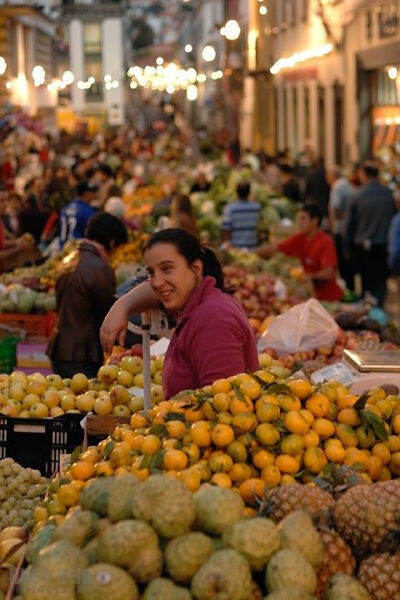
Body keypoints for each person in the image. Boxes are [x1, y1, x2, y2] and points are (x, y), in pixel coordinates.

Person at [100, 228, 259, 399]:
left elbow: (222, 405)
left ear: (196, 268)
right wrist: (122, 305)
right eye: (152, 272)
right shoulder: (198, 300)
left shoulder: (212, 318)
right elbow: (154, 289)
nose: (157, 282)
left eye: (167, 269)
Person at [47, 212, 128, 378]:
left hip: (59, 347)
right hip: (83, 353)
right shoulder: (100, 268)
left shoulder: (67, 260)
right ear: (112, 243)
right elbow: (107, 314)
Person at [257, 204, 343, 302]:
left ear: (314, 221)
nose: (299, 223)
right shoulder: (299, 238)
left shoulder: (325, 242)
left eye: (303, 219)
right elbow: (275, 248)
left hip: (329, 299)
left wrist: (309, 277)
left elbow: (328, 273)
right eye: (299, 219)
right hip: (312, 297)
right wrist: (251, 253)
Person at [344, 161, 396, 306]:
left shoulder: (357, 195)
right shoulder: (387, 194)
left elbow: (349, 225)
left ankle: (368, 311)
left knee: (366, 283)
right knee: (380, 282)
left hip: (362, 247)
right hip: (383, 245)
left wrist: (346, 248)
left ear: (363, 175)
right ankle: (379, 311)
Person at [327, 166, 355, 292]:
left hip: (340, 229)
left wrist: (332, 227)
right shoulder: (348, 186)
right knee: (349, 263)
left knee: (343, 263)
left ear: (332, 176)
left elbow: (335, 208)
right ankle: (351, 288)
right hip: (350, 229)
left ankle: (346, 290)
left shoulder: (336, 188)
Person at [221, 182, 261, 249]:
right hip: (253, 248)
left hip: (235, 249)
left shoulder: (229, 208)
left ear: (237, 192)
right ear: (249, 192)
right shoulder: (257, 208)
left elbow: (226, 230)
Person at [58, 181, 98, 247]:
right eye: (92, 192)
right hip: (80, 250)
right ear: (86, 193)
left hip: (63, 250)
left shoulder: (64, 209)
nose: (93, 195)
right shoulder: (89, 211)